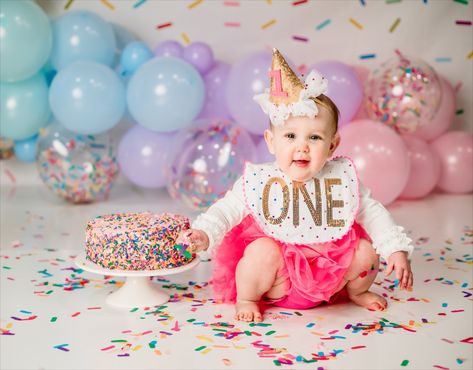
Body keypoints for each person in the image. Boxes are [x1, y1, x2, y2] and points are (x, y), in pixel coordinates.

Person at [177, 49, 414, 322]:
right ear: (270, 141)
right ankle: (248, 297)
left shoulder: (339, 179)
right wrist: (205, 232)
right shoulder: (262, 180)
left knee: (365, 252)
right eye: (290, 135)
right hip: (278, 281)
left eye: (314, 137)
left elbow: (372, 211)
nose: (302, 146)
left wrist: (394, 248)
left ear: (332, 145)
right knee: (260, 251)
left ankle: (357, 291)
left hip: (331, 274)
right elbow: (227, 209)